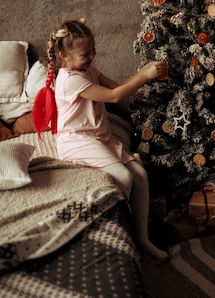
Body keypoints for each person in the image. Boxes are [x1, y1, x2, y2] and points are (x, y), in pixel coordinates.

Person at [36, 18, 169, 260]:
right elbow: (114, 97)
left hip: (99, 135)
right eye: (85, 54)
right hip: (77, 140)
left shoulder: (88, 70)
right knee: (123, 176)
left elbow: (118, 87)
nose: (92, 56)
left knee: (140, 175)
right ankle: (121, 236)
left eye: (93, 50)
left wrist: (142, 75)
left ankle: (142, 239)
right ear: (64, 56)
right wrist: (144, 75)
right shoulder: (69, 80)